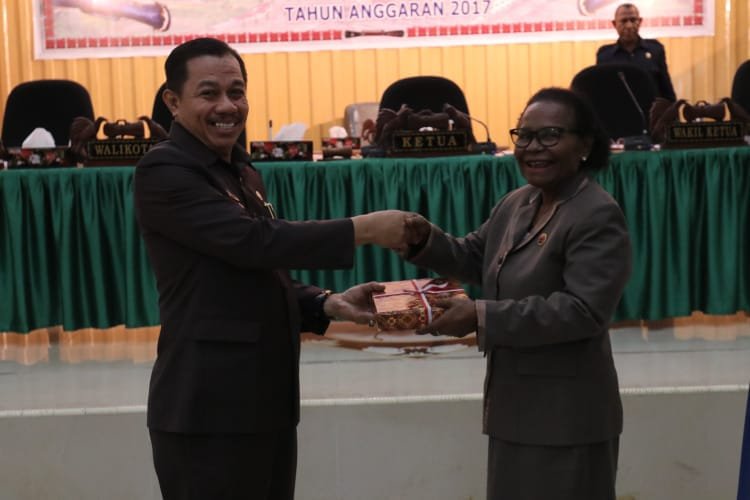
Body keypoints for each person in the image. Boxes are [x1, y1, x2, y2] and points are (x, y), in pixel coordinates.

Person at [133, 37, 410, 500]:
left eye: (236, 92)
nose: (227, 106)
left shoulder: (240, 171)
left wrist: (328, 303)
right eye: (209, 93)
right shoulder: (164, 170)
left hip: (265, 406)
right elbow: (254, 243)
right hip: (208, 412)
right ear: (173, 102)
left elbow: (253, 273)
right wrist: (364, 229)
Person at [401, 87, 632, 499]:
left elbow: (582, 311)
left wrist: (480, 316)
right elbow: (474, 257)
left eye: (550, 135)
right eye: (524, 135)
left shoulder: (596, 214)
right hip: (514, 410)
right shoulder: (517, 203)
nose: (532, 147)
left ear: (584, 145)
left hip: (568, 419)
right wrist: (423, 240)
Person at [596, 3, 677, 101]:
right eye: (624, 21)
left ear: (640, 21)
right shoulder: (605, 55)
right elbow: (600, 92)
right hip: (618, 110)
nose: (629, 25)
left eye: (633, 20)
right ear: (614, 24)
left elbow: (666, 90)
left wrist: (673, 109)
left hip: (651, 110)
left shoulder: (655, 50)